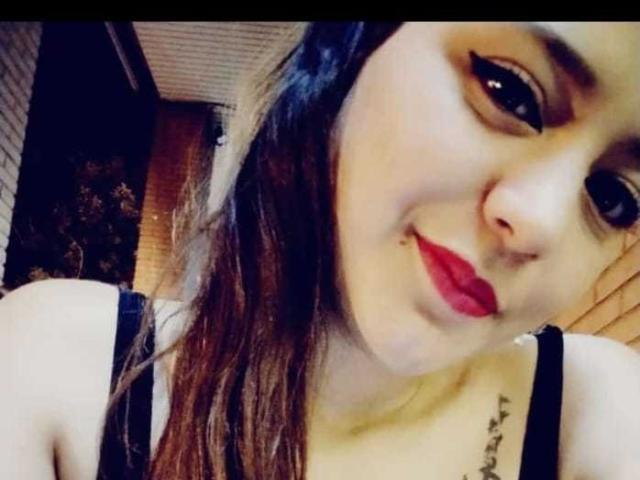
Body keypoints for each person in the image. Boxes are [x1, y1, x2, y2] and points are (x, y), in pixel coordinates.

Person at [2, 22, 640, 480]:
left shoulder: (598, 415)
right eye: (510, 92)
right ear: (352, 50)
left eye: (615, 198)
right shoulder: (57, 370)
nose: (541, 222)